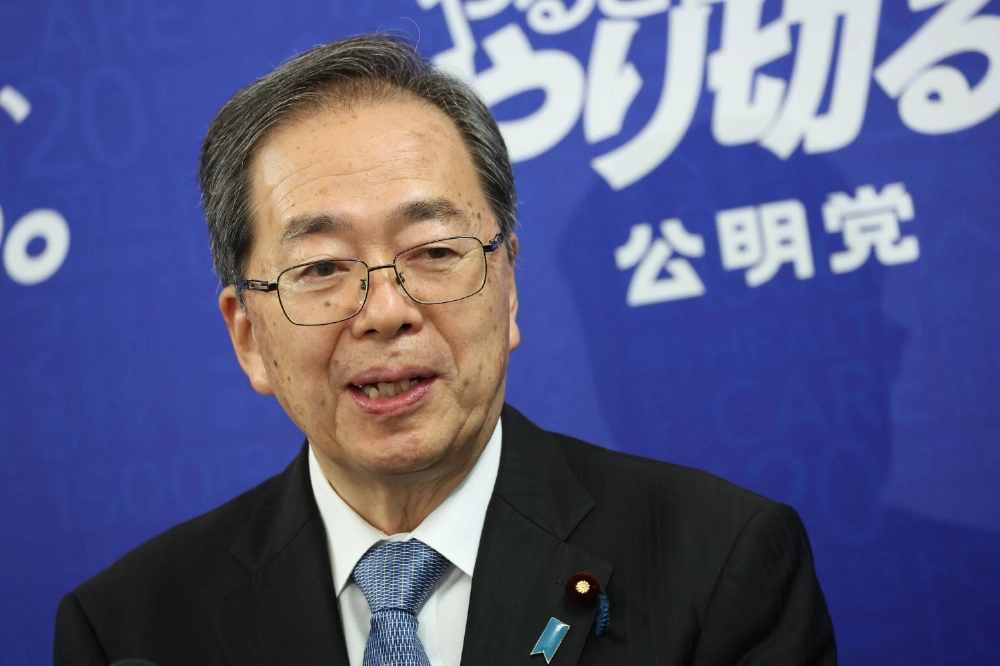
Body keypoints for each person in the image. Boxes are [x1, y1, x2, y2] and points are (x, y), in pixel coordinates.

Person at [54, 34, 836, 666]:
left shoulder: (718, 563)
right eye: (323, 268)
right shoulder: (129, 629)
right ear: (248, 335)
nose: (386, 313)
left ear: (509, 286)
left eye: (433, 250)